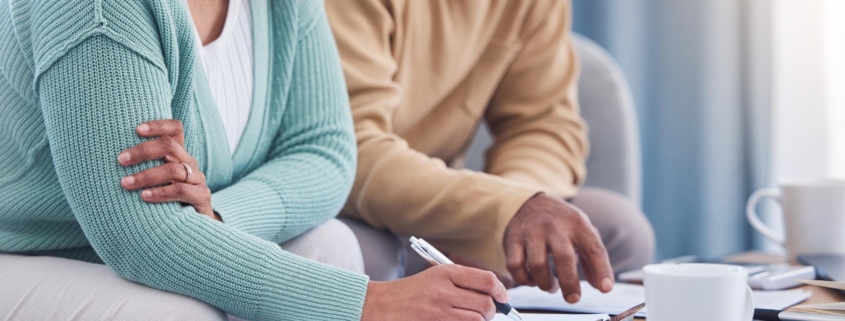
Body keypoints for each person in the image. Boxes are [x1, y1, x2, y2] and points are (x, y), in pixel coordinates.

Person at [0, 0, 510, 320]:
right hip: (26, 252)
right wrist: (369, 305)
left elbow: (325, 153)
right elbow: (140, 233)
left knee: (330, 244)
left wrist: (218, 215)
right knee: (175, 316)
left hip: (139, 241)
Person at [326, 0, 656, 303]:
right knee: (364, 255)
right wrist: (498, 213)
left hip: (443, 202)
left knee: (620, 231)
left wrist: (511, 220)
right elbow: (351, 152)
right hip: (345, 206)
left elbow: (543, 125)